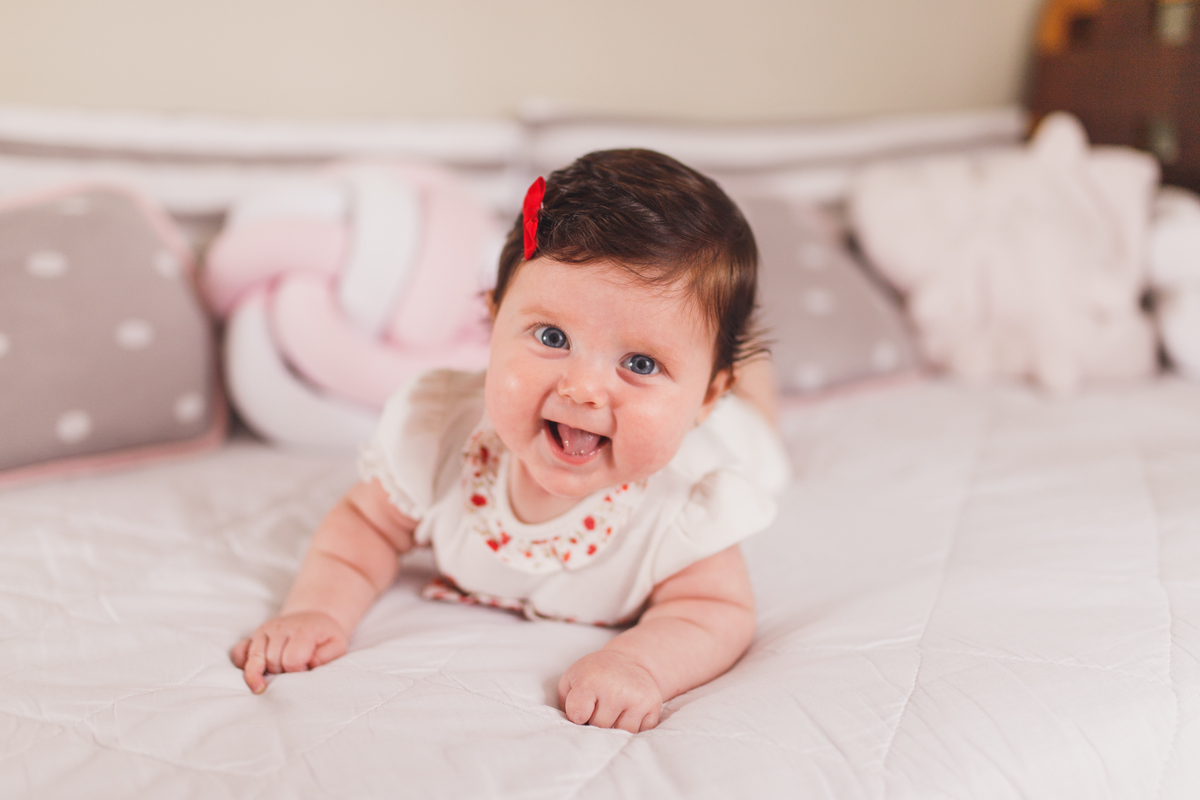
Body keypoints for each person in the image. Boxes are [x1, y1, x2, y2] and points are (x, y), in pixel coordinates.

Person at [231, 149, 789, 733]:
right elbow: (362, 531)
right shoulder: (440, 433)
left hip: (736, 439)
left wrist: (639, 664)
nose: (584, 390)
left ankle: (746, 388)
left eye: (641, 363)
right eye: (552, 336)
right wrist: (317, 611)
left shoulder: (688, 499)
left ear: (702, 398)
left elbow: (714, 611)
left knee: (755, 428)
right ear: (493, 321)